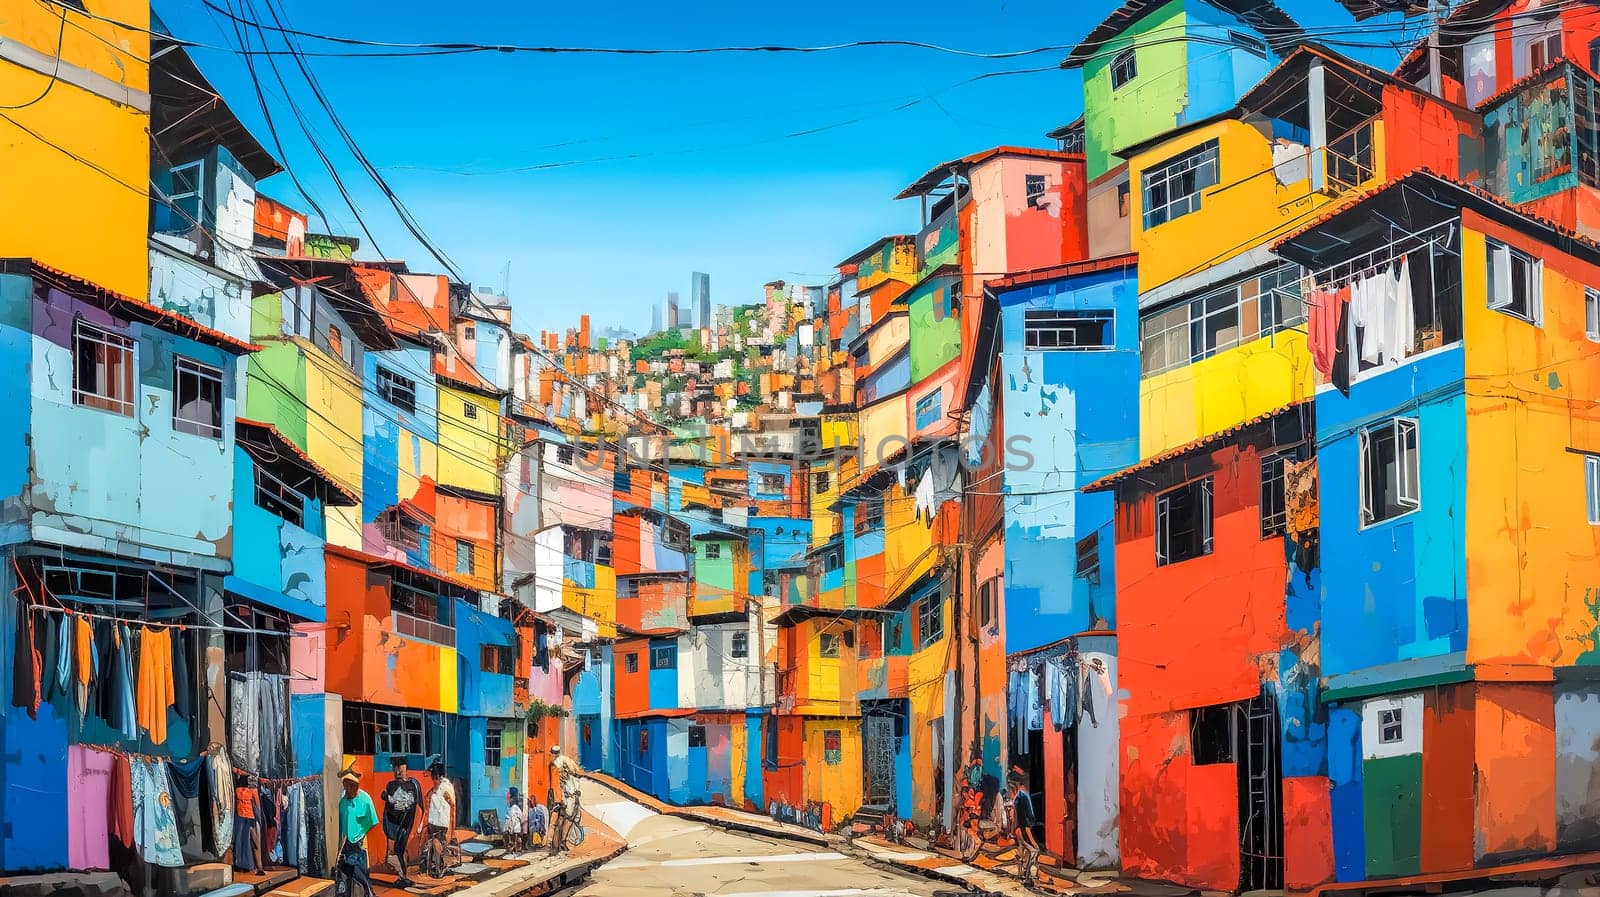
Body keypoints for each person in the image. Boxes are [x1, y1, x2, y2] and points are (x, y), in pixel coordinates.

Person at [379, 756, 423, 888]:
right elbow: (389, 809)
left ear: (406, 767)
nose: (398, 770)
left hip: (407, 824)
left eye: (400, 766)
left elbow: (420, 805)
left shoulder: (413, 784)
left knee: (400, 850)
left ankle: (404, 877)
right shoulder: (391, 785)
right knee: (394, 853)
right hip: (394, 824)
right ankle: (403, 877)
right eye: (395, 767)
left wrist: (420, 823)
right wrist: (387, 798)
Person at [335, 768, 380, 897]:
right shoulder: (343, 802)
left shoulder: (365, 800)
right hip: (346, 844)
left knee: (362, 877)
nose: (348, 789)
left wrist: (361, 834)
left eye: (351, 786)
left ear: (355, 786)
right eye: (346, 786)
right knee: (343, 878)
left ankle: (369, 893)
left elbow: (373, 821)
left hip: (359, 845)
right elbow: (342, 825)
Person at [1005, 769, 1040, 886]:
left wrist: (1012, 831)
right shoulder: (1022, 796)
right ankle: (1027, 874)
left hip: (1021, 828)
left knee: (1022, 850)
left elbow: (1014, 817)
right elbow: (1019, 817)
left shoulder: (1018, 797)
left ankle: (1022, 873)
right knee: (1034, 850)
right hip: (1024, 827)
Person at [548, 745, 583, 855]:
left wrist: (557, 799)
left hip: (563, 797)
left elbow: (555, 783)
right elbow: (576, 777)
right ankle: (561, 843)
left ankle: (556, 846)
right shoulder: (568, 762)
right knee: (566, 820)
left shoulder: (555, 765)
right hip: (569, 797)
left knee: (559, 821)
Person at [424, 760, 457, 875]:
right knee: (435, 841)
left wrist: (452, 829)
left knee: (436, 841)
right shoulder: (444, 785)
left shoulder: (442, 787)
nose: (433, 780)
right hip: (438, 820)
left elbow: (452, 804)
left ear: (437, 776)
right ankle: (438, 865)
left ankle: (438, 867)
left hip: (439, 820)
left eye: (434, 776)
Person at [234, 774, 261, 872]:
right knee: (253, 842)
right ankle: (255, 866)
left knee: (240, 842)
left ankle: (241, 864)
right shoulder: (252, 789)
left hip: (240, 816)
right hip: (250, 817)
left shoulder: (237, 789)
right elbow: (257, 804)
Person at [503, 788, 526, 854]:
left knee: (515, 839)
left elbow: (517, 819)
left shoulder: (514, 808)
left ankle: (516, 850)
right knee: (516, 839)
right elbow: (522, 818)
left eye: (508, 793)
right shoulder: (515, 808)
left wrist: (510, 828)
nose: (507, 795)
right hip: (515, 828)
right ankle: (516, 850)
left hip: (514, 828)